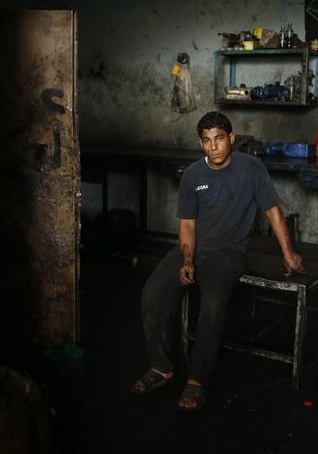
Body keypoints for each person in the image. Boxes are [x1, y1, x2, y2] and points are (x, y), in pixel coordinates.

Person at [130, 111, 304, 411]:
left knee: (211, 306)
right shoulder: (193, 175)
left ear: (231, 139)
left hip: (228, 252)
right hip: (193, 248)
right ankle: (162, 366)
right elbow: (186, 224)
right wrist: (187, 260)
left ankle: (197, 379)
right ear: (201, 143)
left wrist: (288, 252)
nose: (214, 147)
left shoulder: (252, 168)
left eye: (219, 139)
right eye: (207, 141)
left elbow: (272, 211)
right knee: (152, 294)